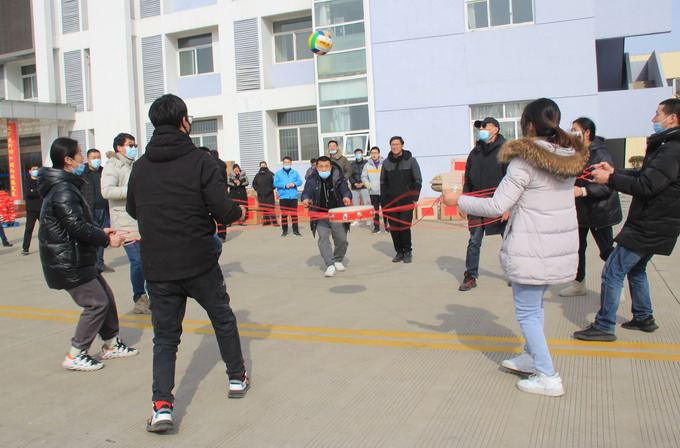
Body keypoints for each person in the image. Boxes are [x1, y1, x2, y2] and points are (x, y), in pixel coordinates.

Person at [442, 98, 588, 396]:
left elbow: (497, 206)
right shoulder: (569, 158)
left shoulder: (525, 162)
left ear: (530, 125)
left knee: (527, 313)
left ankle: (548, 376)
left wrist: (459, 201)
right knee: (535, 307)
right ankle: (531, 357)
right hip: (554, 244)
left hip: (532, 245)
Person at [126, 94, 250, 433]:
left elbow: (134, 209)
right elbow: (222, 210)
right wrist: (239, 212)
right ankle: (236, 377)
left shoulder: (140, 166)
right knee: (222, 318)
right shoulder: (200, 160)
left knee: (165, 338)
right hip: (199, 261)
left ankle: (162, 407)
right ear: (184, 122)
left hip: (158, 266)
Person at [574, 98, 680, 342]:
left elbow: (646, 185)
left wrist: (609, 179)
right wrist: (615, 172)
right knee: (637, 269)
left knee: (613, 270)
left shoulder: (672, 149)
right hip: (656, 222)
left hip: (651, 224)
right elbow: (645, 174)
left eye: (658, 114)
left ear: (672, 118)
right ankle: (643, 316)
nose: (654, 119)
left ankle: (604, 325)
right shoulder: (667, 146)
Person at [38, 137, 138, 372]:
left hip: (79, 256)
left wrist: (101, 231)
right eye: (80, 154)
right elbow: (75, 226)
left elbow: (77, 222)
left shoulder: (67, 185)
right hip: (68, 260)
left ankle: (111, 344)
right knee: (96, 303)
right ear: (68, 160)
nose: (83, 158)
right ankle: (76, 353)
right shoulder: (62, 189)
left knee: (106, 297)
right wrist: (106, 239)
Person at [559, 118, 622, 296]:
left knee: (606, 250)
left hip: (600, 211)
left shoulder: (601, 154)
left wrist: (583, 191)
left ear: (587, 133)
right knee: (577, 250)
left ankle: (618, 286)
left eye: (575, 129)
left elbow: (608, 185)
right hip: (580, 212)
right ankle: (578, 284)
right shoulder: (574, 153)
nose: (571, 132)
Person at [102, 133, 150, 314]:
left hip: (138, 221)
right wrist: (132, 190)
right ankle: (139, 298)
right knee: (137, 261)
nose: (133, 148)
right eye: (130, 145)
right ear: (119, 147)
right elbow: (107, 191)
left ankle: (150, 295)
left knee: (146, 260)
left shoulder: (133, 165)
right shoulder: (113, 166)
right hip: (124, 224)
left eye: (134, 145)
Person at [459, 117, 509, 291]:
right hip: (476, 204)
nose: (482, 129)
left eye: (485, 126)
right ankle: (470, 275)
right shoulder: (475, 153)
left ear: (496, 129)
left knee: (508, 241)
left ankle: (513, 273)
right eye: (480, 127)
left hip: (499, 203)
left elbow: (511, 181)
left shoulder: (505, 151)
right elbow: (467, 179)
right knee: (474, 241)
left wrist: (508, 206)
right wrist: (464, 202)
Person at [302, 156, 352, 277]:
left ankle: (338, 259)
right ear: (316, 167)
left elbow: (345, 190)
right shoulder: (311, 179)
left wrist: (346, 197)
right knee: (323, 238)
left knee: (341, 240)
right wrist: (306, 199)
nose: (324, 169)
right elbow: (306, 191)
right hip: (320, 214)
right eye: (321, 167)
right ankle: (330, 264)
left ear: (331, 166)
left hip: (337, 213)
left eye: (326, 166)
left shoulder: (338, 177)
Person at [380, 136, 422, 263]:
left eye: (397, 144)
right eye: (392, 144)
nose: (395, 147)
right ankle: (399, 252)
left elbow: (417, 180)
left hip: (406, 201)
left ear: (402, 146)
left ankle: (408, 251)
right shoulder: (386, 163)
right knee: (394, 228)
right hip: (391, 202)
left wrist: (414, 198)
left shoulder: (411, 161)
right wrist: (384, 202)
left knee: (404, 227)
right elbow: (383, 183)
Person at [80, 149, 113, 271]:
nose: (97, 160)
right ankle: (91, 263)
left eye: (98, 157)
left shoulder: (103, 171)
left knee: (101, 236)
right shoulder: (82, 173)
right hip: (89, 209)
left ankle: (99, 263)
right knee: (90, 237)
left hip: (103, 209)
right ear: (88, 159)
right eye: (94, 158)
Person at [362, 146, 389, 234]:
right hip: (373, 192)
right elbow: (364, 177)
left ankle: (387, 227)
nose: (374, 155)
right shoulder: (367, 165)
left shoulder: (385, 163)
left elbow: (389, 176)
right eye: (372, 153)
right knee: (375, 211)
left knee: (386, 210)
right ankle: (376, 228)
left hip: (384, 191)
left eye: (375, 153)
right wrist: (369, 186)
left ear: (379, 154)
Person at [274, 156, 302, 237]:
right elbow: (275, 183)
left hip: (293, 197)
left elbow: (300, 181)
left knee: (294, 215)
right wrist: (284, 185)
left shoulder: (295, 172)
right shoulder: (278, 173)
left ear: (291, 163)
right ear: (283, 163)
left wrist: (294, 184)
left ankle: (296, 231)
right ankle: (284, 231)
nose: (287, 164)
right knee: (284, 215)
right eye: (285, 162)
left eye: (288, 162)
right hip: (283, 197)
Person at [21, 165, 42, 255]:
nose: (35, 171)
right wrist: (36, 191)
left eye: (37, 169)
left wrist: (33, 190)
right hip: (31, 209)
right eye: (33, 169)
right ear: (30, 171)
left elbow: (43, 192)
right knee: (29, 229)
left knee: (45, 229)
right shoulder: (27, 182)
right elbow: (28, 194)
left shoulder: (41, 181)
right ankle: (25, 248)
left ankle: (45, 247)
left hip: (41, 208)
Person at [210, 149, 229, 240]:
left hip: (212, 192)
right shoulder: (222, 166)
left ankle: (213, 235)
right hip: (222, 192)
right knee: (221, 214)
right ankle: (222, 235)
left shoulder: (211, 165)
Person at [349, 148, 372, 227]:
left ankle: (368, 219)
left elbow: (368, 174)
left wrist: (363, 183)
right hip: (355, 187)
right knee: (355, 204)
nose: (358, 155)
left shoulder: (366, 163)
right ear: (355, 155)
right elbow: (350, 175)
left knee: (367, 203)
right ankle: (356, 220)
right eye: (357, 153)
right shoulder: (352, 164)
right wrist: (354, 183)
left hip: (364, 187)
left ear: (362, 154)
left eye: (359, 153)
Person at [252, 161, 277, 226]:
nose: (263, 167)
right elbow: (254, 184)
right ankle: (267, 221)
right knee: (264, 208)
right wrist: (258, 190)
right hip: (261, 194)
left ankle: (274, 222)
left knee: (271, 208)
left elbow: (275, 183)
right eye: (262, 166)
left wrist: (270, 189)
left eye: (264, 165)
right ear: (260, 166)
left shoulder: (271, 174)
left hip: (269, 194)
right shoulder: (257, 175)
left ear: (266, 165)